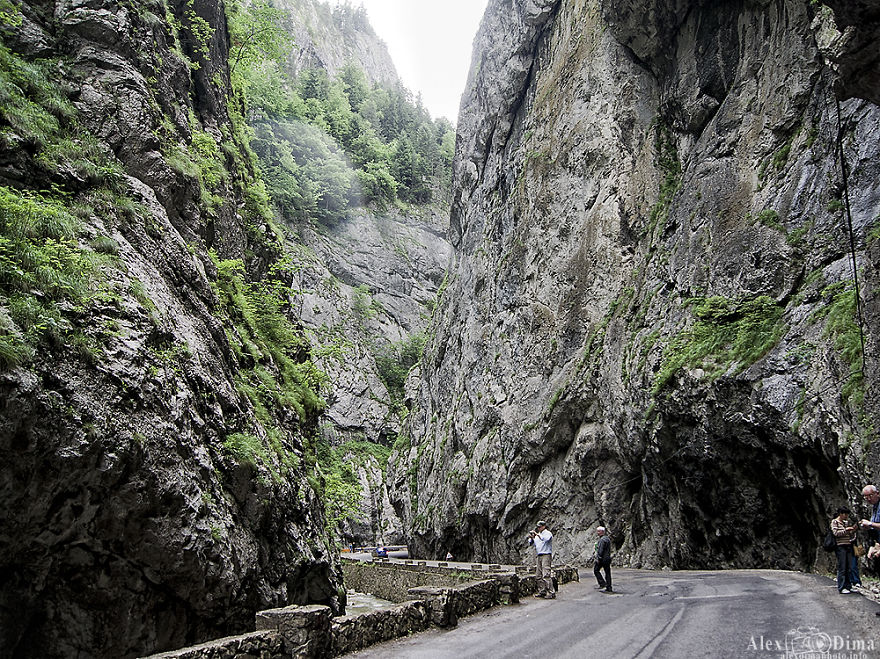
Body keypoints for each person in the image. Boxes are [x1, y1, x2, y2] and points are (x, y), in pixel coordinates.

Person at [831, 507, 857, 594]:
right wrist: (846, 530)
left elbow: (848, 535)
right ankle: (841, 587)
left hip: (848, 545)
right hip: (840, 546)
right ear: (841, 514)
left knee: (848, 567)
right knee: (842, 567)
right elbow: (836, 533)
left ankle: (848, 586)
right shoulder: (835, 522)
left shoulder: (845, 523)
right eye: (845, 514)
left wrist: (852, 531)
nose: (846, 516)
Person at [528, 520, 555, 599]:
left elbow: (545, 540)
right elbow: (531, 543)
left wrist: (537, 535)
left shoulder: (548, 533)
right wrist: (532, 538)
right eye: (538, 527)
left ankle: (551, 592)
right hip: (539, 555)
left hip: (546, 554)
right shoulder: (538, 535)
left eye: (540, 527)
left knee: (546, 574)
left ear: (544, 526)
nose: (538, 528)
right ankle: (542, 590)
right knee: (538, 575)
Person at [593, 526, 613, 593]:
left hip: (602, 559)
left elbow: (600, 550)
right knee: (607, 573)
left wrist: (598, 558)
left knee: (596, 570)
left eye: (598, 531)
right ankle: (609, 587)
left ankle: (602, 583)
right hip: (608, 558)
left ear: (602, 532)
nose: (597, 533)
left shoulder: (602, 540)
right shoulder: (607, 539)